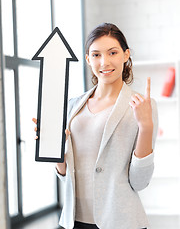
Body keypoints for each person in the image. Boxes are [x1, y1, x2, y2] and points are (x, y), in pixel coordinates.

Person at [33, 23, 158, 229]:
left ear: (126, 55)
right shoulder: (73, 106)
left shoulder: (142, 106)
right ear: (88, 59)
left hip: (121, 222)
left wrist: (146, 127)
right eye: (96, 55)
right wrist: (51, 146)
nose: (105, 61)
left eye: (112, 52)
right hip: (73, 221)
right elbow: (66, 176)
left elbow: (140, 182)